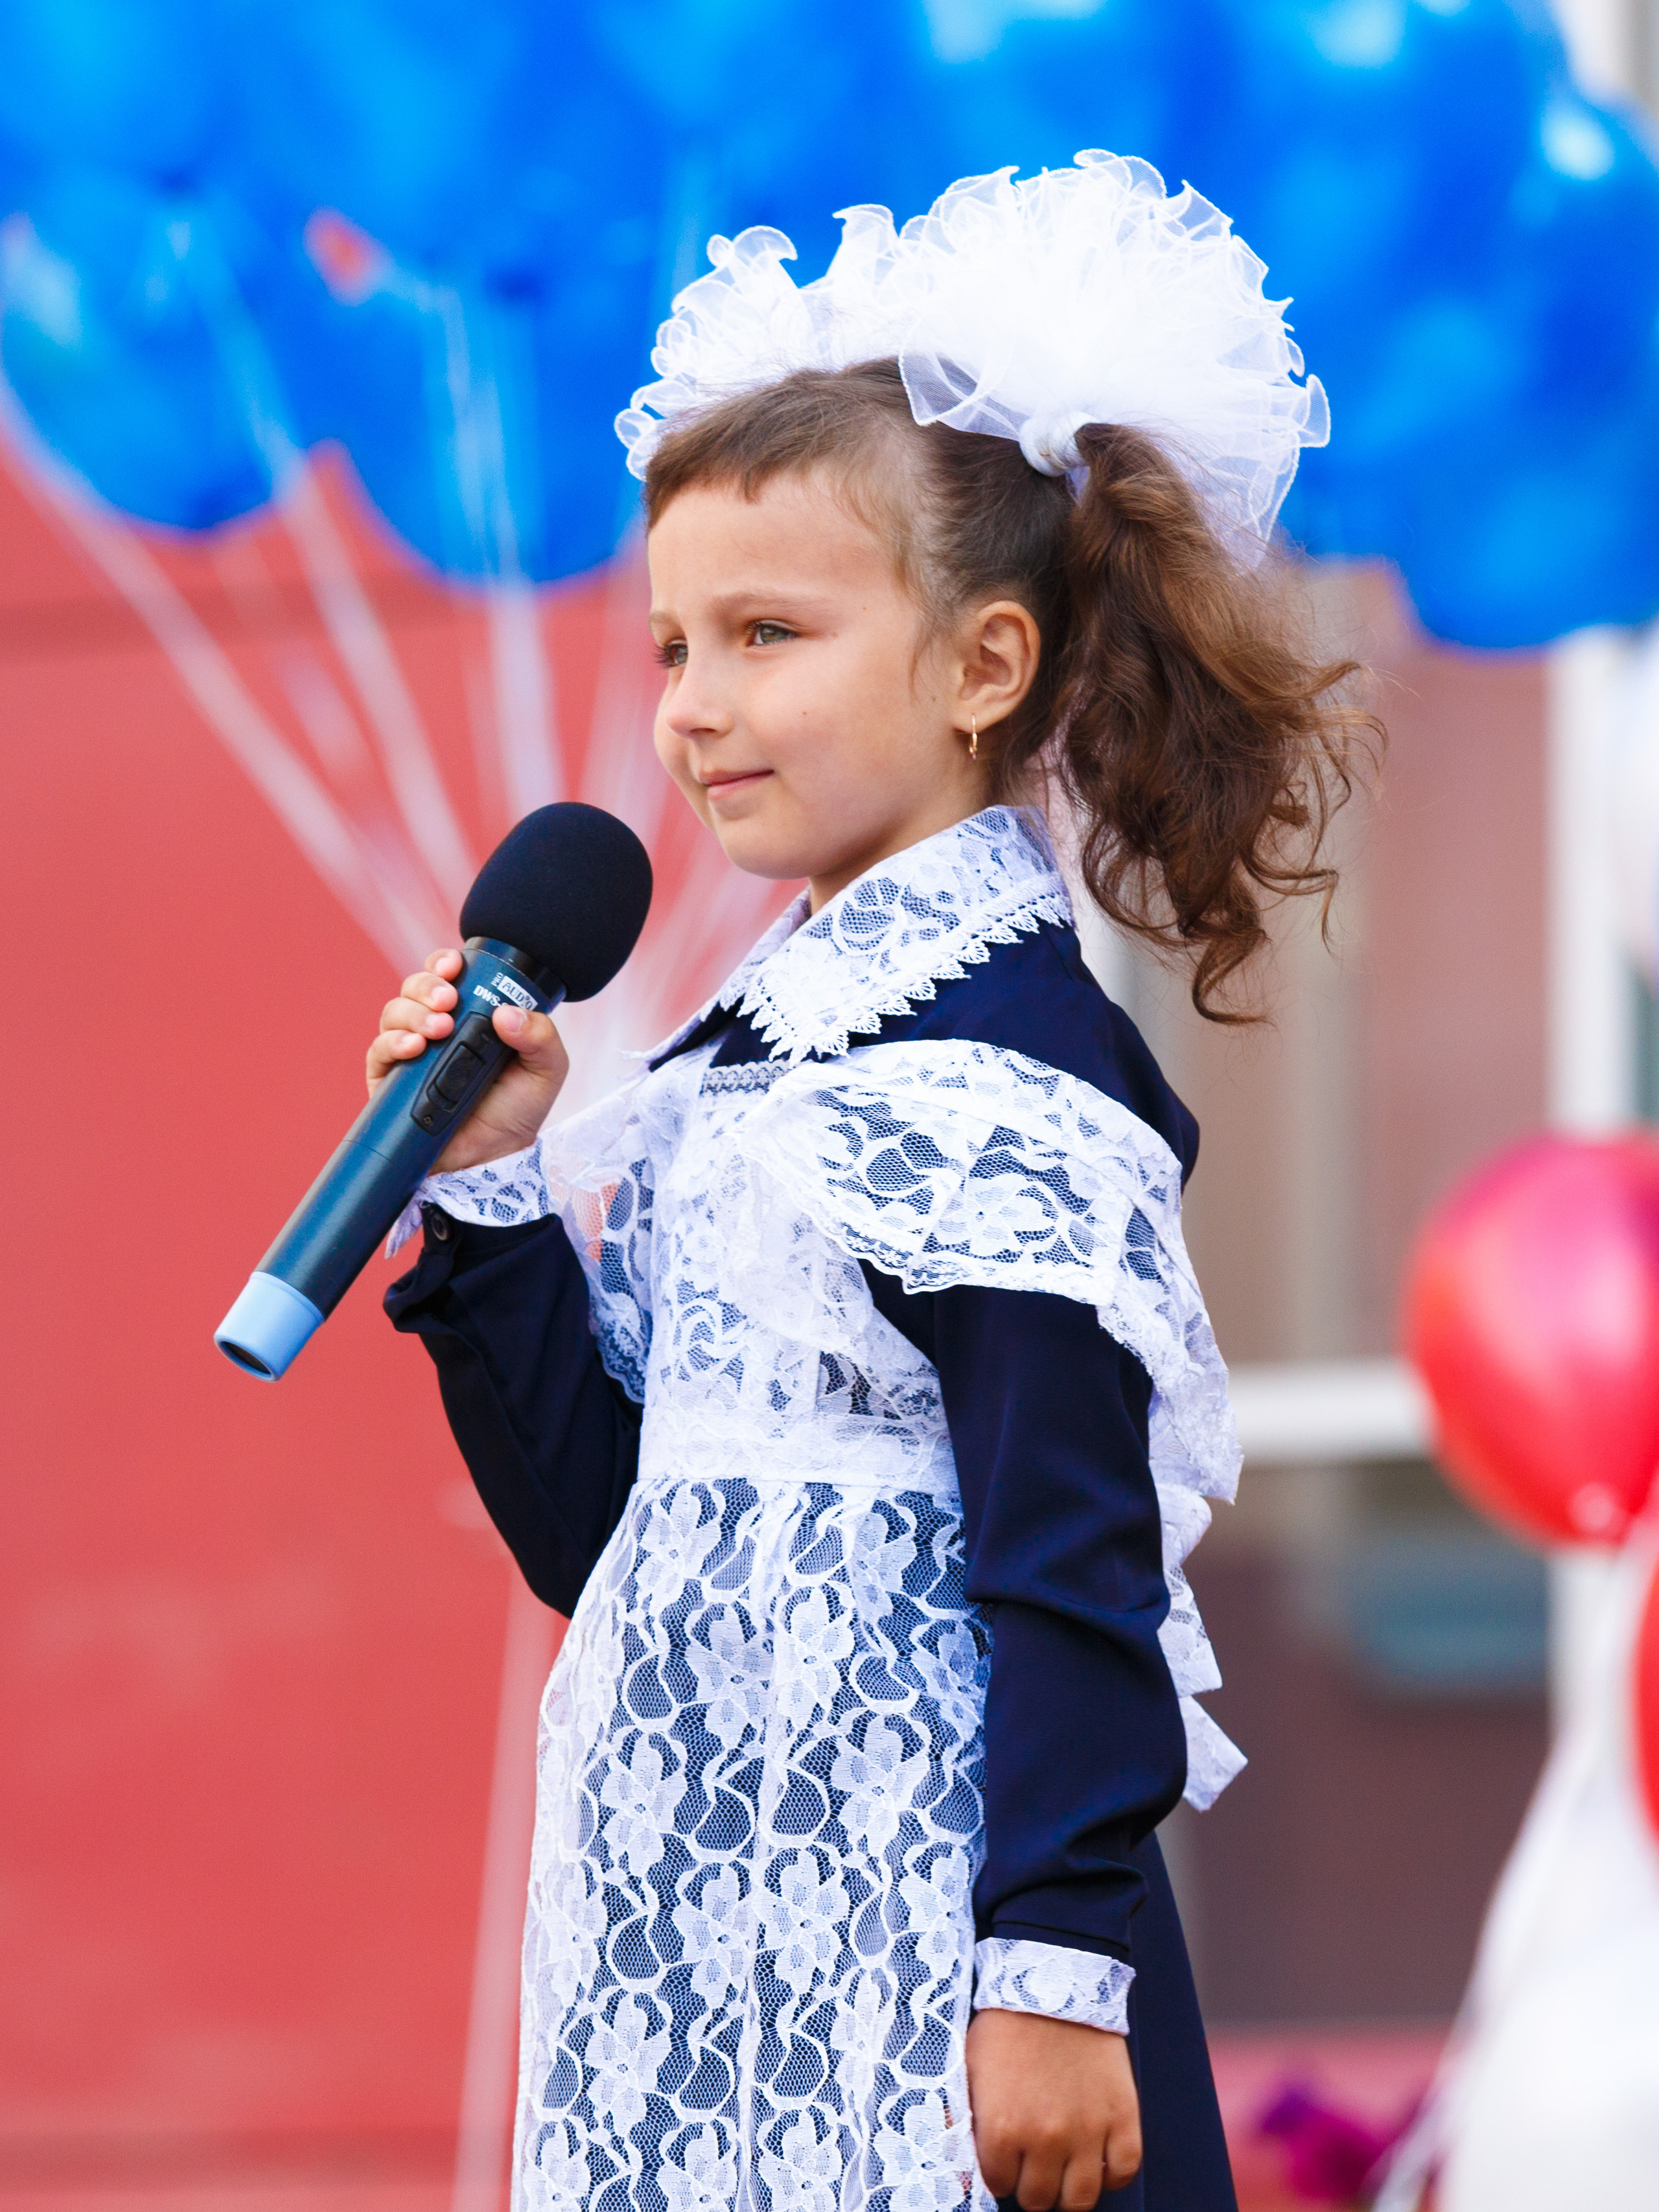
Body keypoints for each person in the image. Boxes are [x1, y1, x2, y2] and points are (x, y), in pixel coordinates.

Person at [374, 154, 1364, 2212]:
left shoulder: (1004, 1073)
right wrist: (487, 1190)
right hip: (715, 1948)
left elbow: (1070, 1552)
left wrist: (1056, 1970)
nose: (692, 708)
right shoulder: (746, 1057)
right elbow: (608, 1540)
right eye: (668, 647)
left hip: (944, 1971)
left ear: (984, 664)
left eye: (765, 633)